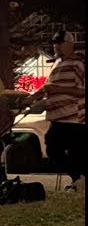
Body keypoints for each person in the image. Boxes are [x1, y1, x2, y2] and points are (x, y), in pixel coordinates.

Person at [36, 30, 84, 192]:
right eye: (55, 43)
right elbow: (48, 87)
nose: (56, 46)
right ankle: (78, 179)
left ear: (70, 45)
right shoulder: (57, 63)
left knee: (71, 150)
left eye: (60, 43)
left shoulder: (78, 64)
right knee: (52, 147)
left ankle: (78, 181)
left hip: (73, 116)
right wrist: (34, 98)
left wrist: (57, 89)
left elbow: (82, 90)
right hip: (57, 116)